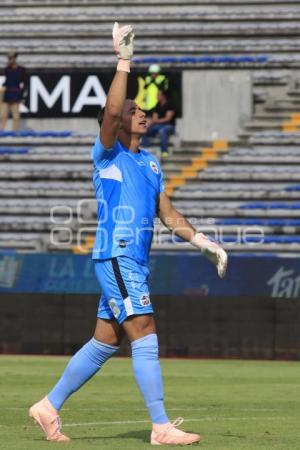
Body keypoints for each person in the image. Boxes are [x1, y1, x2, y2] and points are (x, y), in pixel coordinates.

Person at [29, 22, 227, 446]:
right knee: (145, 326)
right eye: (134, 110)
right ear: (114, 124)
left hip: (133, 260)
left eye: (139, 110)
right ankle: (160, 427)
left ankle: (47, 407)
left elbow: (168, 213)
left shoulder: (150, 163)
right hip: (116, 254)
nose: (141, 113)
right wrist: (124, 61)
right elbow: (114, 111)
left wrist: (204, 243)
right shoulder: (106, 154)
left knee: (105, 341)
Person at [141, 89, 176, 158]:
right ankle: (146, 149)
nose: (157, 96)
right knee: (144, 130)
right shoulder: (157, 105)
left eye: (158, 95)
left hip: (169, 126)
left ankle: (164, 151)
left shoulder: (170, 105)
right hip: (158, 126)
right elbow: (154, 118)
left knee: (162, 131)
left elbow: (167, 119)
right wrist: (152, 121)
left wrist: (156, 121)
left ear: (163, 96)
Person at [0, 51, 26, 131]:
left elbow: (24, 84)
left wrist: (22, 96)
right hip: (7, 95)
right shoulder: (7, 70)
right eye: (8, 58)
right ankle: (1, 131)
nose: (9, 60)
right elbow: (7, 81)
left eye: (11, 58)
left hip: (15, 95)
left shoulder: (21, 70)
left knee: (16, 117)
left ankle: (15, 133)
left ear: (15, 58)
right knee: (3, 115)